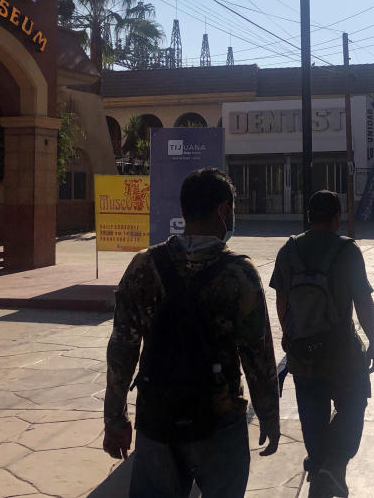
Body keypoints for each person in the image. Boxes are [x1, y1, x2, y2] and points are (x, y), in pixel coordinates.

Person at [103, 168, 280, 497]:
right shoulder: (239, 274)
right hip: (220, 423)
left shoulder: (144, 266)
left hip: (158, 420)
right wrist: (269, 414)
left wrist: (115, 419)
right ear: (223, 211)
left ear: (183, 211)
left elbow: (121, 349)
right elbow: (258, 355)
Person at [270, 190, 374, 498]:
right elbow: (363, 301)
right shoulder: (347, 251)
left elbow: (281, 302)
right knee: (353, 404)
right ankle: (331, 466)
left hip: (302, 353)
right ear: (337, 218)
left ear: (308, 217)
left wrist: (292, 335)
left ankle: (320, 464)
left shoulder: (288, 251)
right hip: (342, 351)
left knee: (312, 413)